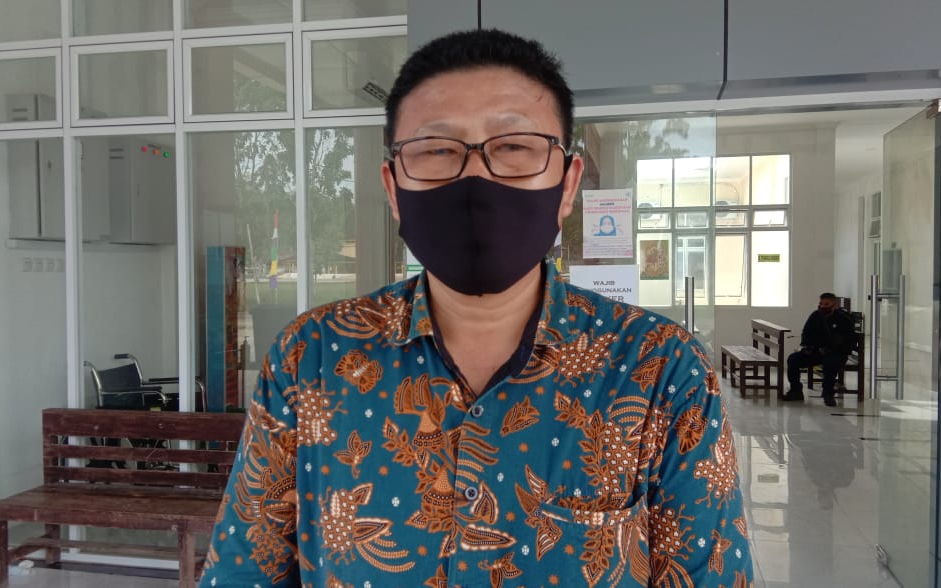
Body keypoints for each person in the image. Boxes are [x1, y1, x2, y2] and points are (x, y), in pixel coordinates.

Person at [199, 29, 754, 587]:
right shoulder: (311, 358)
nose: (475, 176)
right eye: (437, 150)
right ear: (393, 189)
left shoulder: (660, 370)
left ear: (567, 184)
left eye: (514, 147)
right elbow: (242, 572)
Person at [782, 292, 857, 406]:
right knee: (793, 359)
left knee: (830, 363)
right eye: (821, 303)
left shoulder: (844, 319)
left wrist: (831, 349)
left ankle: (828, 394)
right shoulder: (816, 315)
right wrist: (808, 347)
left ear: (834, 305)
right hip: (816, 352)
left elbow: (847, 340)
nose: (822, 306)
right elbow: (806, 333)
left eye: (826, 304)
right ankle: (796, 391)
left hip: (836, 353)